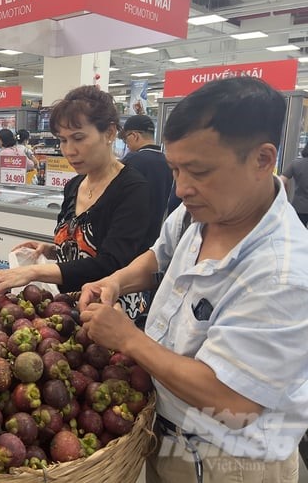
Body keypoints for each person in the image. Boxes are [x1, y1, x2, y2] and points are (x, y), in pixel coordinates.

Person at [79, 77, 308, 482]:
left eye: (199, 171)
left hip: (230, 464)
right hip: (168, 438)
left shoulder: (281, 273)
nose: (182, 188)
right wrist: (115, 282)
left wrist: (129, 339)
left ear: (263, 159)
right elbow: (158, 256)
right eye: (175, 169)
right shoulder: (198, 213)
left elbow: (233, 401)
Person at [0, 86, 150, 319]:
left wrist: (34, 272)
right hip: (67, 313)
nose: (68, 150)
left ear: (109, 133)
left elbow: (111, 263)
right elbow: (81, 250)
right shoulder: (74, 185)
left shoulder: (132, 189)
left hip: (112, 315)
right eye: (62, 140)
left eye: (78, 138)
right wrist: (49, 250)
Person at [121, 115, 173, 246]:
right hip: (156, 236)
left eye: (125, 137)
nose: (126, 143)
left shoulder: (131, 160)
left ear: (135, 135)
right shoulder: (168, 161)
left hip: (131, 236)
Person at [280, 143, 308, 226]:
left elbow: (281, 180)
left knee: (298, 234)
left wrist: (285, 196)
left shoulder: (296, 164)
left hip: (299, 207)